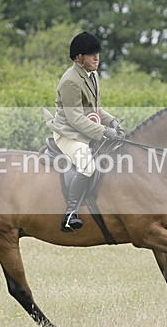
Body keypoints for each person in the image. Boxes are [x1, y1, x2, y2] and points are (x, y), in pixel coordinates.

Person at [46, 31, 124, 232]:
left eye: (97, 53)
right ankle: (70, 214)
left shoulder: (93, 75)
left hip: (86, 129)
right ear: (78, 58)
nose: (96, 58)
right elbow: (76, 119)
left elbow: (94, 108)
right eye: (91, 54)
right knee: (88, 166)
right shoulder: (70, 81)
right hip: (68, 134)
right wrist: (104, 131)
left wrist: (112, 121)